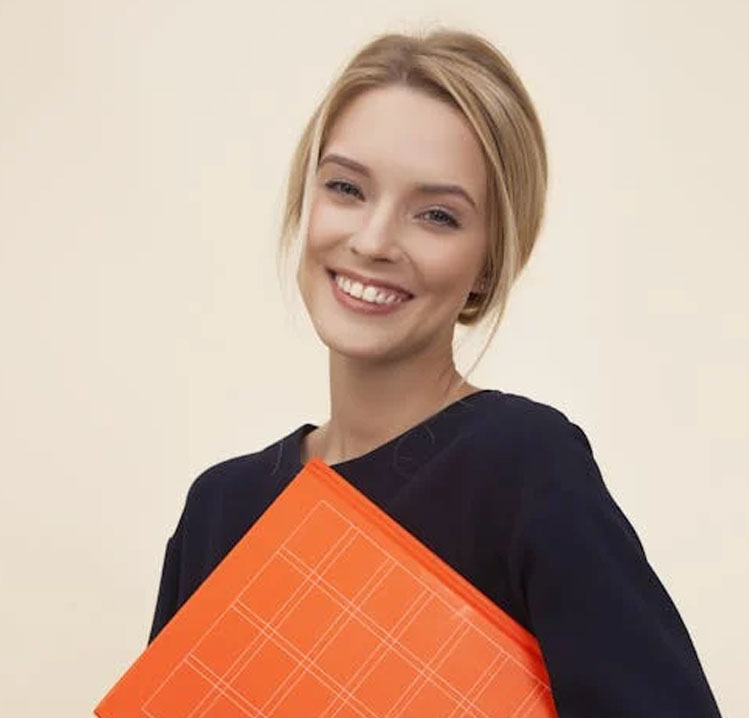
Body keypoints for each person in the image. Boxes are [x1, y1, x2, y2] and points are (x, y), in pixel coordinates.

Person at [147, 28, 723, 716]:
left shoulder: (523, 468)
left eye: (437, 215)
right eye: (346, 188)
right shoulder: (220, 510)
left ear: (488, 262)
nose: (372, 241)